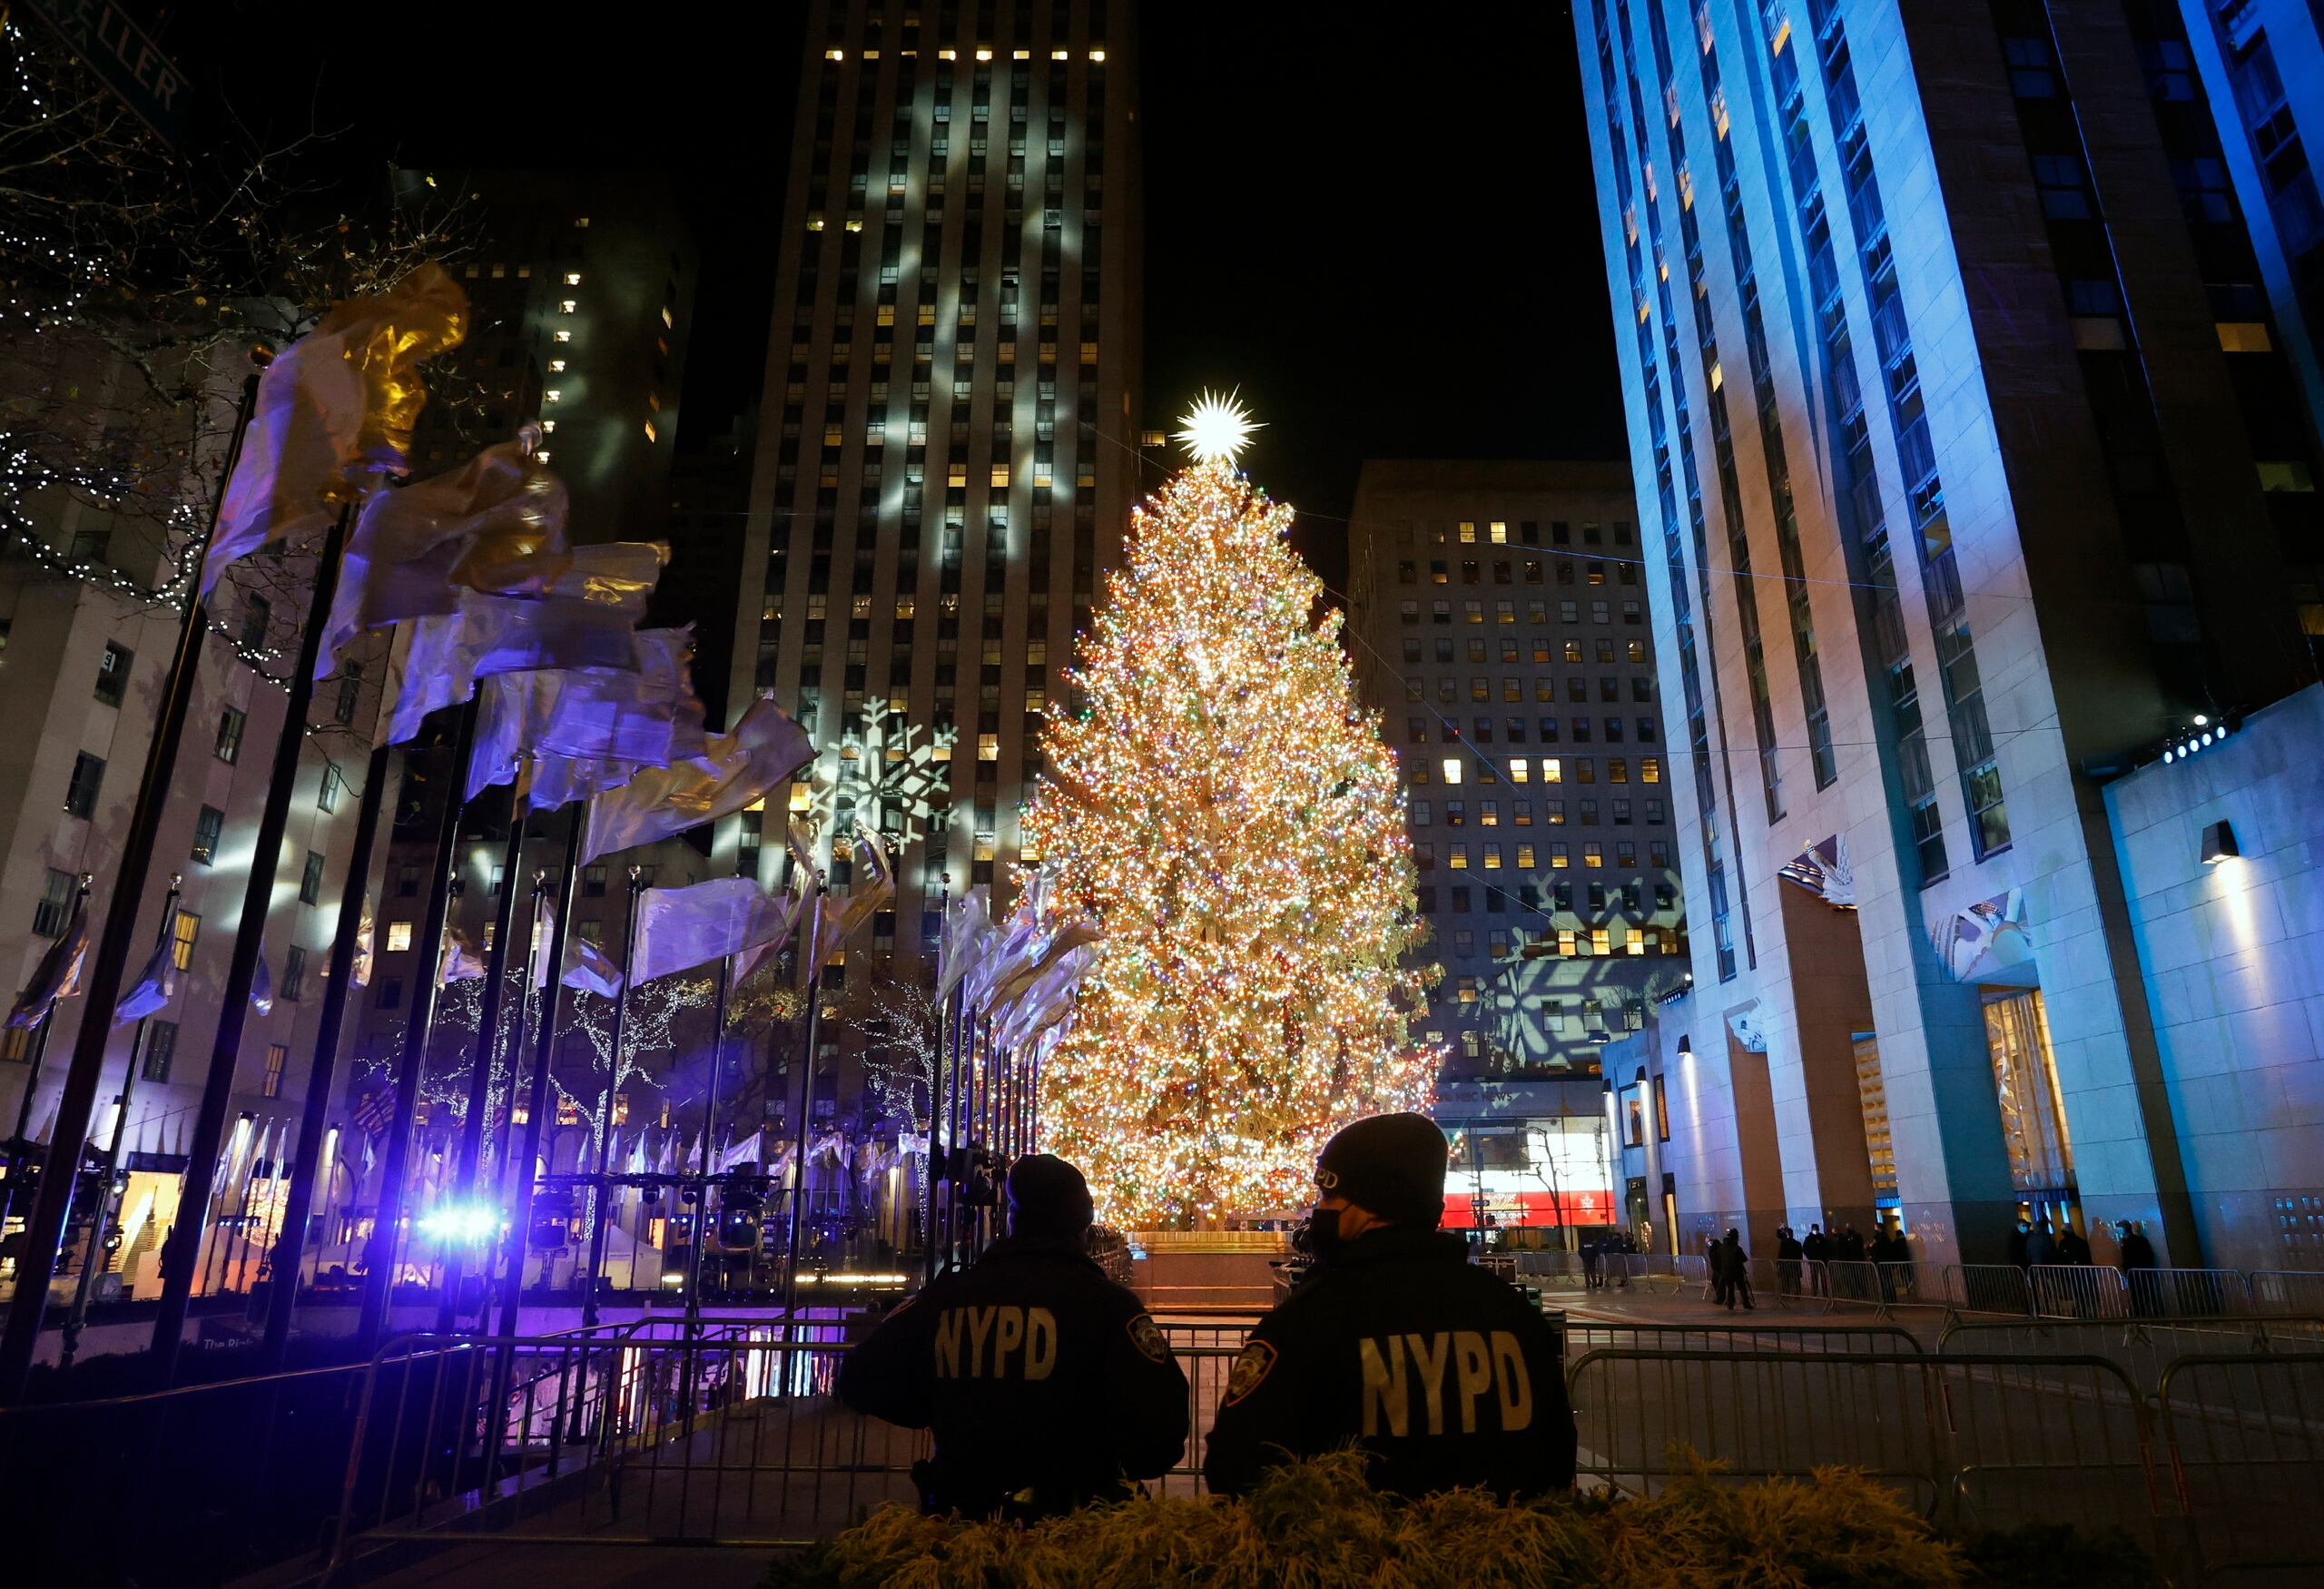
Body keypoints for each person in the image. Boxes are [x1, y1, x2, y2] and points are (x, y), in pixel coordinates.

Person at [1203, 1112, 1575, 1499]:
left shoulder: (1312, 1319)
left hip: (1353, 1554)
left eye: (1329, 1195)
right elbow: (1557, 1457)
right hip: (1499, 1552)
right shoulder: (1510, 1314)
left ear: (1369, 1205)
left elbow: (1236, 1465)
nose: (1320, 1209)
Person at [837, 1153, 1188, 1518]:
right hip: (1076, 1526)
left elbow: (860, 1378)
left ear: (1012, 1219)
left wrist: (936, 1408)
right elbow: (1162, 1427)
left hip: (966, 1526)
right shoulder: (1108, 1308)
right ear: (1082, 1226)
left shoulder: (948, 1299)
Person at [1717, 1227, 1755, 1311]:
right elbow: (1744, 1258)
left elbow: (1719, 1257)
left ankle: (1730, 1304)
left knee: (1730, 1289)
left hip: (1726, 1272)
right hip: (1737, 1272)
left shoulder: (1723, 1247)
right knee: (1742, 1288)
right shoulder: (1737, 1248)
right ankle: (1746, 1303)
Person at [1775, 1226, 1804, 1298]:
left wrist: (1778, 1262)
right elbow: (1800, 1255)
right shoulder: (1797, 1243)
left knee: (1785, 1280)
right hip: (1795, 1265)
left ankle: (1786, 1294)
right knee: (1796, 1280)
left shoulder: (1784, 1243)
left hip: (1785, 1265)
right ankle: (1797, 1294)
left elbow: (1781, 1253)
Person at [1803, 1223, 1830, 1297]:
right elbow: (1805, 1249)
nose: (1815, 1230)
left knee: (1823, 1278)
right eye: (1814, 1229)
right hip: (1814, 1261)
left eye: (1816, 1229)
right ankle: (1815, 1293)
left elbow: (1827, 1249)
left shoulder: (1822, 1238)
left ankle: (1825, 1293)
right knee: (1814, 1278)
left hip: (1822, 1261)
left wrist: (1825, 1258)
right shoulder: (1808, 1239)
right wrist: (1810, 1257)